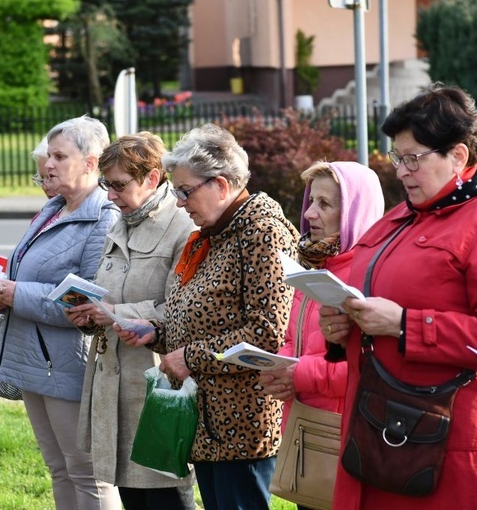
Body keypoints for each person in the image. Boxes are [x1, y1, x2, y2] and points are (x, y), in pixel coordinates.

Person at [318, 84, 477, 509]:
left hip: (446, 439)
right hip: (382, 428)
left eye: (413, 158)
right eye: (397, 158)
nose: (400, 171)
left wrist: (403, 324)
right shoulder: (401, 216)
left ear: (457, 156)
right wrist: (340, 327)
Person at [116, 123, 300, 510]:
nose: (180, 203)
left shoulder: (262, 232)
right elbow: (205, 316)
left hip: (243, 423)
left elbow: (268, 333)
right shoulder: (217, 232)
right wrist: (158, 332)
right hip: (210, 420)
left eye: (185, 191)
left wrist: (189, 357)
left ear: (220, 184)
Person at [0, 115, 121, 509]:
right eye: (48, 156)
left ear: (92, 163)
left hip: (68, 364)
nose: (48, 165)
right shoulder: (53, 208)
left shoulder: (103, 217)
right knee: (58, 469)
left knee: (88, 474)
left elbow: (87, 302)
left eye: (60, 156)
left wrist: (15, 293)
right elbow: (19, 271)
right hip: (34, 359)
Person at [65, 133, 197, 509]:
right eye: (106, 184)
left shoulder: (182, 226)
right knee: (130, 493)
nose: (109, 195)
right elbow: (108, 290)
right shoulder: (122, 221)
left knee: (165, 493)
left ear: (153, 178)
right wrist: (85, 313)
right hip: (112, 380)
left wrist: (110, 313)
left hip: (156, 381)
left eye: (119, 185)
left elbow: (181, 308)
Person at [259, 161, 384, 431]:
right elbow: (296, 339)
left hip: (340, 433)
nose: (309, 213)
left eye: (324, 204)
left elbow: (368, 366)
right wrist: (279, 369)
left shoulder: (371, 274)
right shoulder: (316, 264)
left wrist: (299, 374)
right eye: (311, 200)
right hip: (302, 426)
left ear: (355, 213)